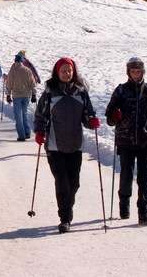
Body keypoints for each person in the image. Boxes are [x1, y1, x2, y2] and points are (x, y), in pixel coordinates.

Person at [105, 57, 147, 226]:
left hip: (146, 140)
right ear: (128, 72)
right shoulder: (121, 91)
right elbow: (109, 116)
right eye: (133, 71)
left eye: (138, 71)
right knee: (126, 175)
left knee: (144, 177)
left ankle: (144, 211)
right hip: (125, 141)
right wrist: (114, 116)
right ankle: (124, 203)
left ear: (143, 72)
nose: (136, 74)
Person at [34, 58, 100, 233]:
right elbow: (40, 115)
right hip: (55, 146)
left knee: (74, 184)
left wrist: (91, 121)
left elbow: (87, 115)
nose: (66, 73)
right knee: (62, 182)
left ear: (73, 72)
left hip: (75, 145)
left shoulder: (81, 92)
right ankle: (65, 218)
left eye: (69, 70)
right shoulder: (50, 92)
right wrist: (39, 132)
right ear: (57, 72)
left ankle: (66, 210)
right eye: (63, 70)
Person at [5, 54, 37, 141]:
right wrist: (33, 94)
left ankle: (21, 135)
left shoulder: (13, 70)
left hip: (17, 96)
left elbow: (9, 83)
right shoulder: (27, 70)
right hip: (26, 95)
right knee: (25, 113)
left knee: (18, 115)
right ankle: (27, 132)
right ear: (22, 61)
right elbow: (32, 83)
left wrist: (8, 95)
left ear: (15, 61)